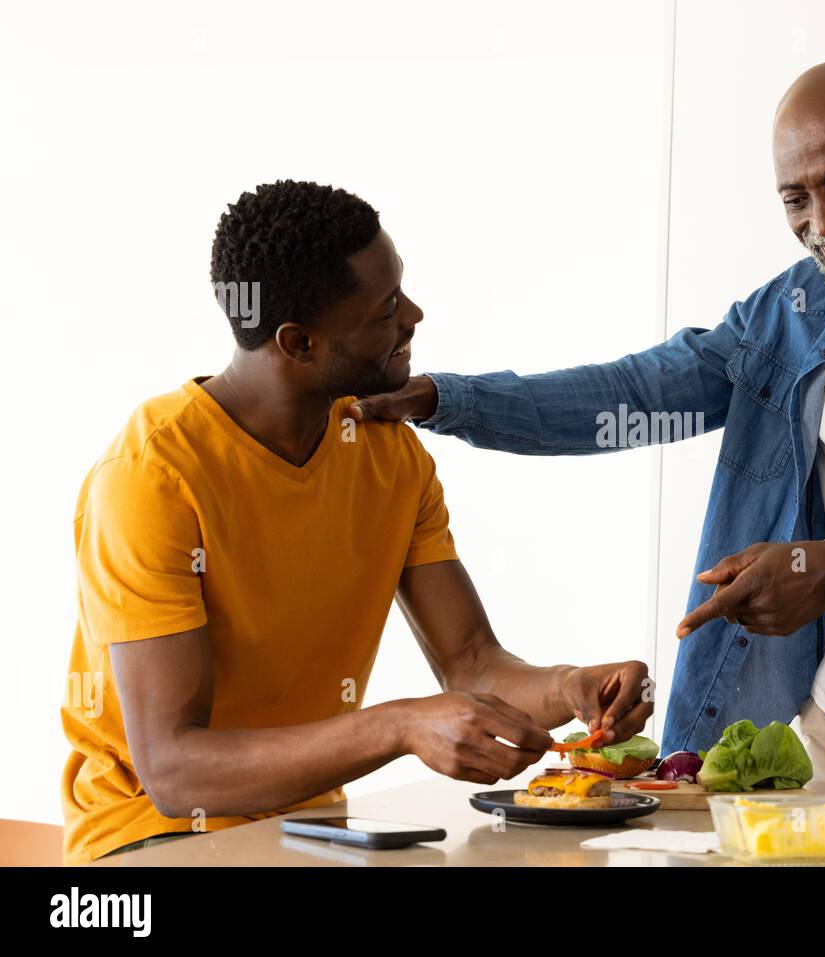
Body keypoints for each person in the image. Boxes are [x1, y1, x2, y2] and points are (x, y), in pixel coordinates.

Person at [350, 62, 825, 789]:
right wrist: (443, 401)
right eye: (796, 199)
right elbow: (635, 394)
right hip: (814, 742)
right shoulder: (790, 311)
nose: (823, 223)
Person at [61, 180, 650, 863]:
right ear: (299, 341)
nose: (415, 315)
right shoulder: (150, 476)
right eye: (386, 309)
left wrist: (571, 688)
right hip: (151, 839)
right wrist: (398, 725)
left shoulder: (385, 447)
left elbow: (472, 663)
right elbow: (174, 770)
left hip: (308, 832)